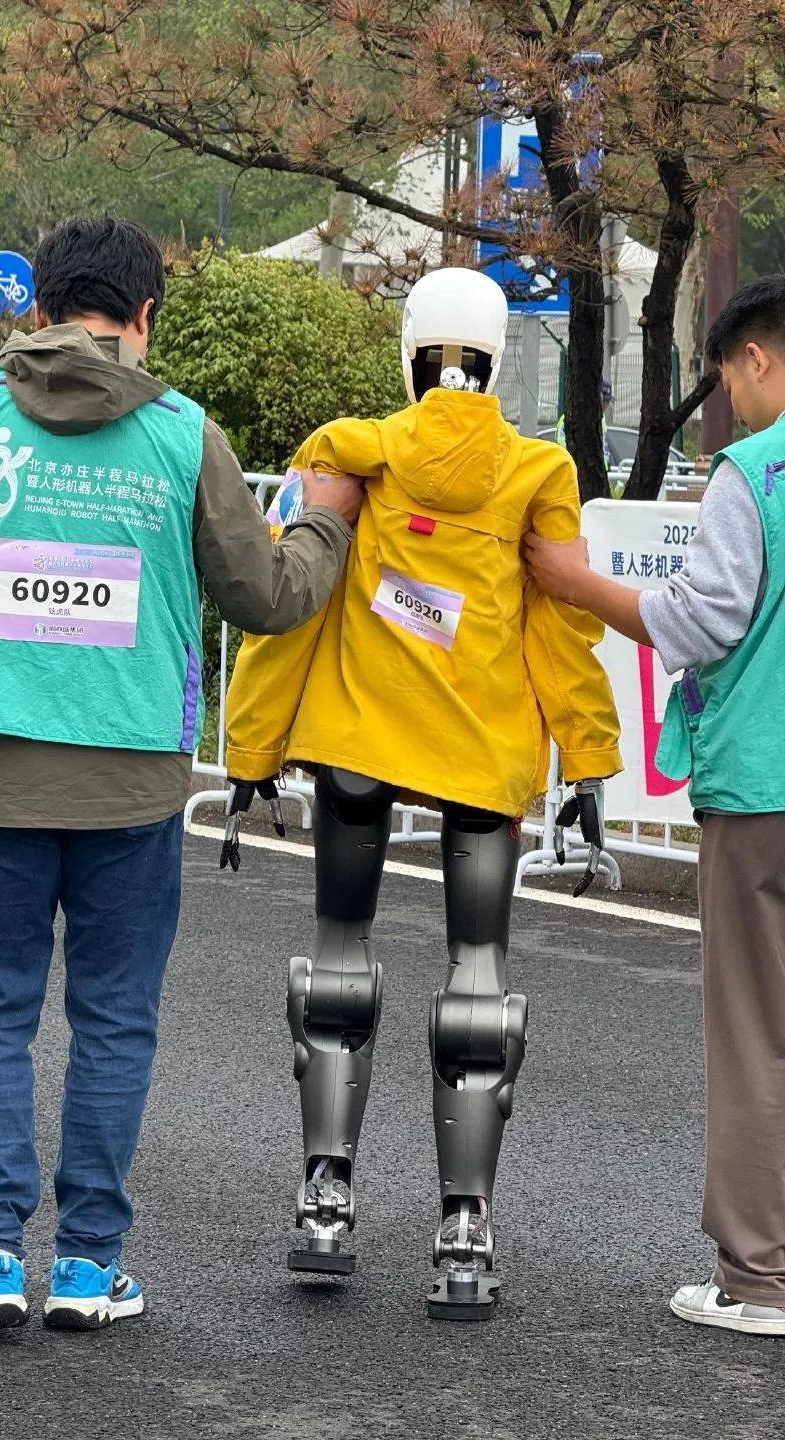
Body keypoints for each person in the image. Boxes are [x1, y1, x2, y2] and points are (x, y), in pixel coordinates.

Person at [0, 215, 363, 1333]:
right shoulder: (182, 434)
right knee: (114, 1020)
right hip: (132, 772)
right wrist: (325, 526)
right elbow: (265, 600)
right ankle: (90, 1270)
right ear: (146, 318)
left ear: (38, 309)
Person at [221, 267, 621, 1317]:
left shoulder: (348, 454)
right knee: (479, 975)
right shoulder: (538, 471)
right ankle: (463, 1227)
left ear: (410, 349)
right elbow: (560, 632)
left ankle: (326, 1198)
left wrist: (251, 755)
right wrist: (587, 764)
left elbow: (293, 605)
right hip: (485, 753)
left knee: (339, 961)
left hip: (356, 736)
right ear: (498, 358)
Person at [523, 274, 785, 1337]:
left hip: (765, 787)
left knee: (757, 1031)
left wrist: (577, 584)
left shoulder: (755, 473)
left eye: (727, 380)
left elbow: (704, 617)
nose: (730, 403)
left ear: (756, 357)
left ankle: (759, 1279)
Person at [556, 378, 621, 494]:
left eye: (607, 402)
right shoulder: (570, 418)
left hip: (599, 475)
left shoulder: (601, 420)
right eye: (603, 401)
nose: (605, 406)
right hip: (575, 475)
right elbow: (564, 445)